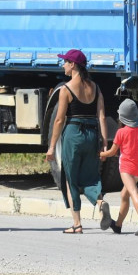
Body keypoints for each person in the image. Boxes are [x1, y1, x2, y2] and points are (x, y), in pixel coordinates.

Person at [46, 49, 110, 234]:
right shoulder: (95, 88)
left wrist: (51, 147)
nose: (63, 65)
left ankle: (77, 224)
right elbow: (102, 117)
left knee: (70, 179)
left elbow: (59, 120)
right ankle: (100, 202)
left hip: (73, 133)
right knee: (90, 176)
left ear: (73, 65)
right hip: (92, 134)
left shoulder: (65, 89)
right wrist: (104, 143)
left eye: (65, 61)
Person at [100, 98, 138, 235]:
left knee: (134, 192)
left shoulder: (121, 133)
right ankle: (117, 225)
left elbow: (112, 152)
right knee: (124, 195)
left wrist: (100, 153)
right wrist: (136, 150)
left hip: (126, 168)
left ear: (122, 117)